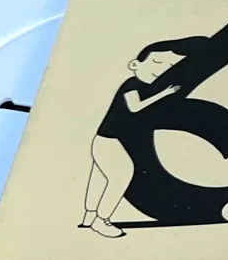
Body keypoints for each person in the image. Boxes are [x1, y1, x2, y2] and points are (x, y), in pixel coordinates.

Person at [81, 40, 194, 237]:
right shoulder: (132, 84)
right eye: (157, 62)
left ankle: (89, 217)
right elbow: (135, 107)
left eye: (170, 66)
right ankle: (101, 220)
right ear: (135, 64)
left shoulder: (144, 86)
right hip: (110, 139)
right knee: (121, 176)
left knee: (100, 178)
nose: (162, 69)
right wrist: (164, 93)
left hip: (109, 139)